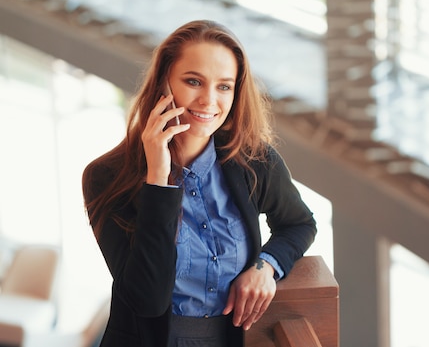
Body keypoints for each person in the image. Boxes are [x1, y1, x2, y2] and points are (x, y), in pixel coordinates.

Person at [82, 20, 317, 347]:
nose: (209, 101)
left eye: (224, 86)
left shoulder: (253, 160)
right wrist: (158, 182)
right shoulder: (106, 176)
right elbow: (147, 299)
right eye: (194, 81)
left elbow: (299, 223)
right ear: (164, 82)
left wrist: (266, 267)